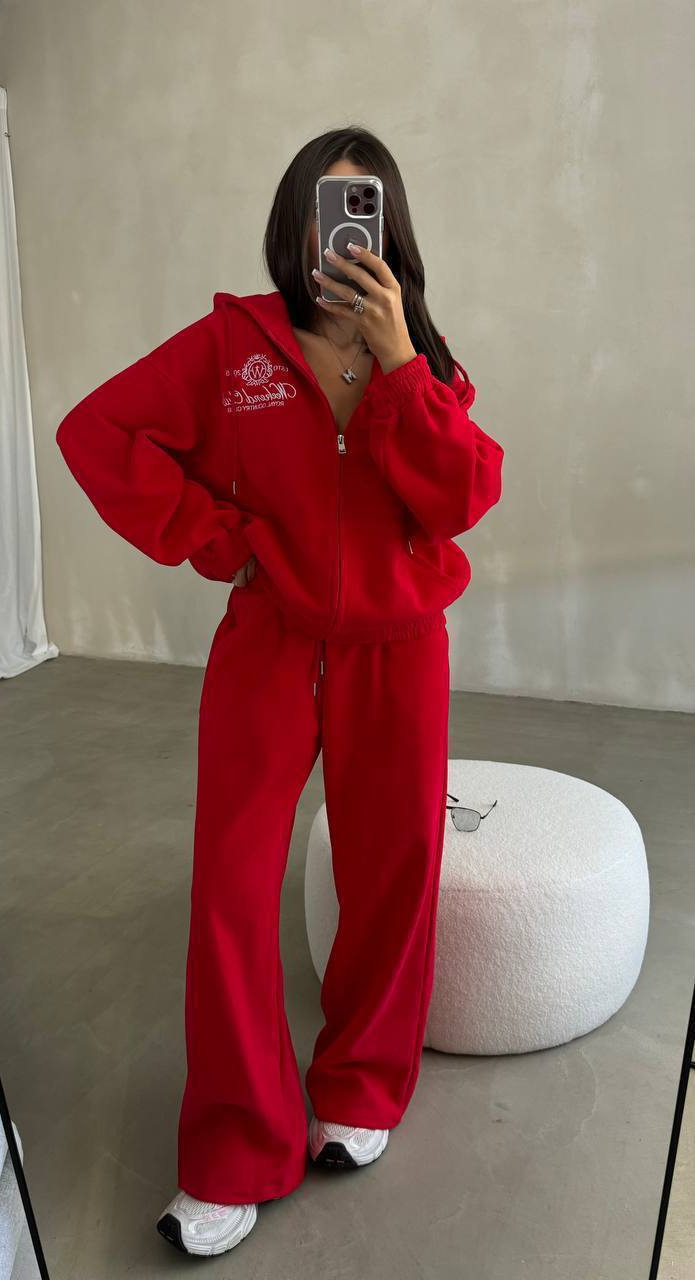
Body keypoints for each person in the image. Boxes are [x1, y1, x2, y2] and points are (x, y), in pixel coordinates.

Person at [55, 124, 505, 1258]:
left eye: (364, 207)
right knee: (231, 888)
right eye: (324, 207)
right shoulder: (233, 344)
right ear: (294, 222)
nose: (341, 231)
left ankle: (360, 1086)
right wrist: (216, 538)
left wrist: (399, 364)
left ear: (390, 228)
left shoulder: (427, 361)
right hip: (267, 644)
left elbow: (458, 499)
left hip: (399, 651)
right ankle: (235, 1146)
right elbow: (98, 431)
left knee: (392, 873)